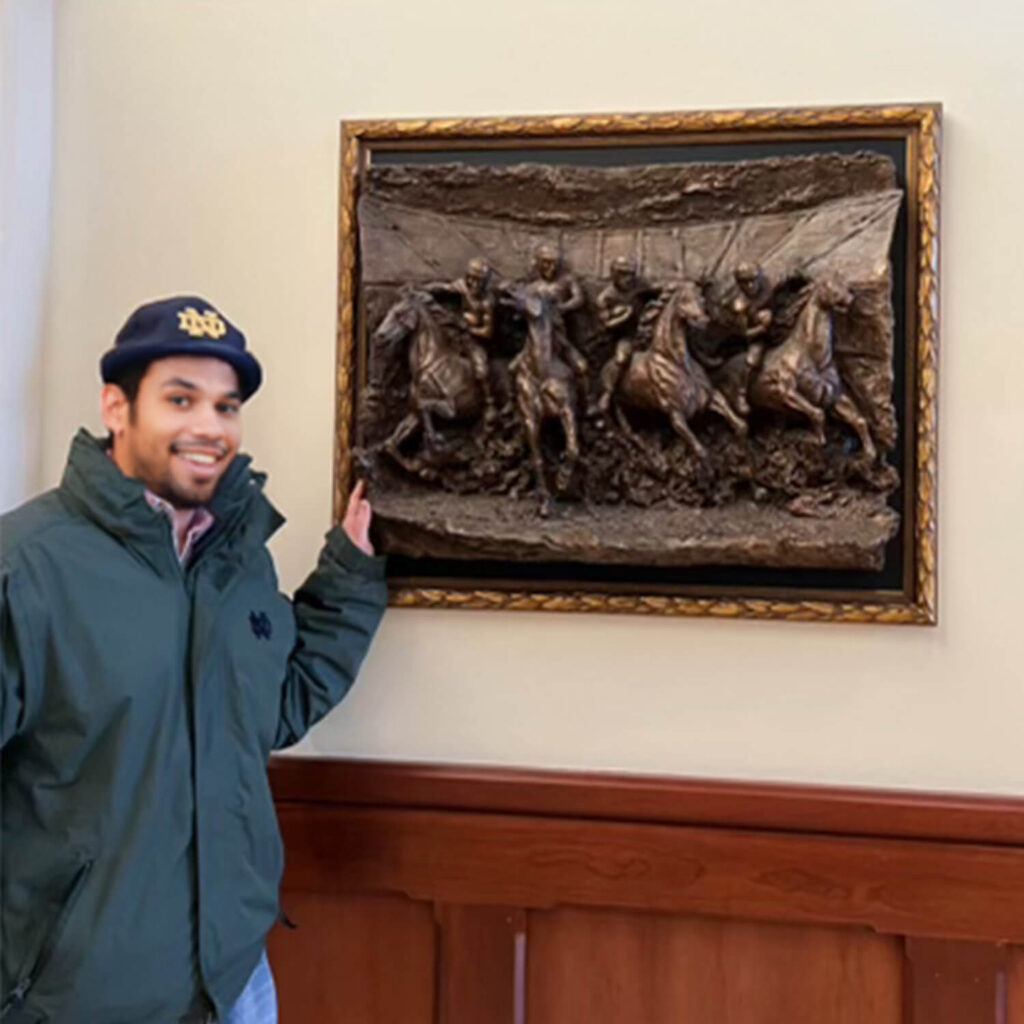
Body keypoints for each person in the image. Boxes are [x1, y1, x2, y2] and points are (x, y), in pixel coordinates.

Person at [0, 296, 388, 1023]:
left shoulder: (237, 561)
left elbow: (267, 711)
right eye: (181, 399)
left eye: (226, 405)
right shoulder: (24, 569)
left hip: (234, 984)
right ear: (117, 406)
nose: (210, 426)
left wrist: (351, 578)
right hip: (80, 1001)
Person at [425, 257, 499, 420]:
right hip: (456, 334)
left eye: (478, 280)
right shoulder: (462, 287)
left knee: (481, 369)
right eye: (470, 278)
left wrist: (469, 328)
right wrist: (425, 290)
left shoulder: (487, 301)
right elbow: (444, 288)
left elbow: (487, 331)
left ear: (485, 282)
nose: (473, 283)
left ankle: (489, 403)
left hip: (474, 340)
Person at [522, 244, 588, 383]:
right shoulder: (531, 288)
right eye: (546, 262)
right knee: (514, 369)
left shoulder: (566, 280)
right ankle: (510, 400)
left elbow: (579, 298)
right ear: (537, 262)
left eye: (554, 263)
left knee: (582, 367)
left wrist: (563, 307)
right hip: (537, 338)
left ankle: (588, 401)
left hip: (560, 338)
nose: (551, 267)